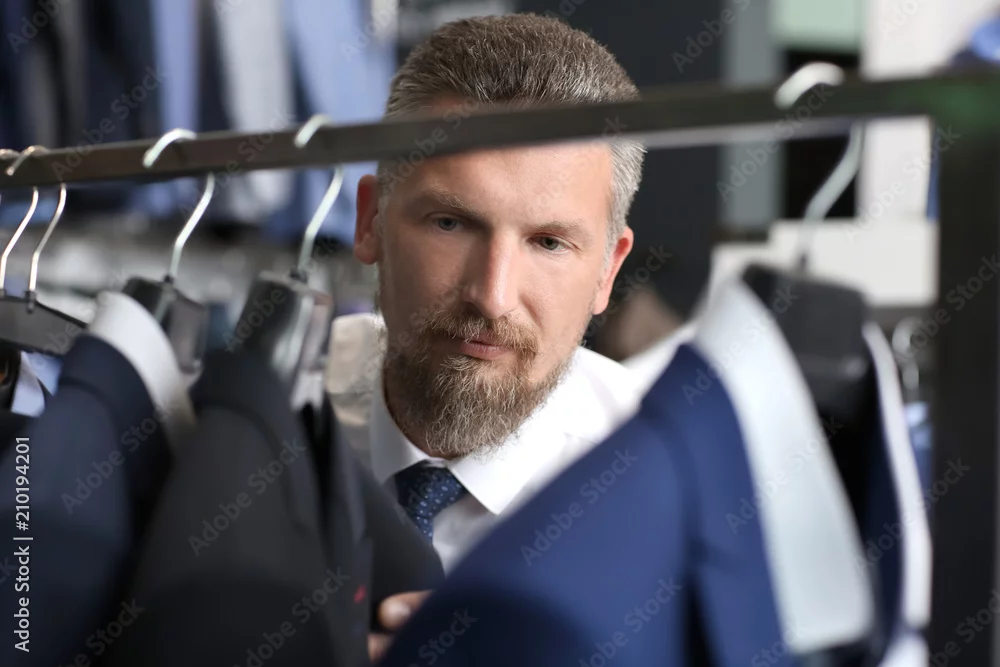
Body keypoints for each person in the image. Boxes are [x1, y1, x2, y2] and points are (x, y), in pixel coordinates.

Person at [322, 13, 647, 662]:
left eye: (548, 243)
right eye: (450, 223)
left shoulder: (657, 497)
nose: (492, 296)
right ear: (370, 221)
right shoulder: (249, 428)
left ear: (608, 270)